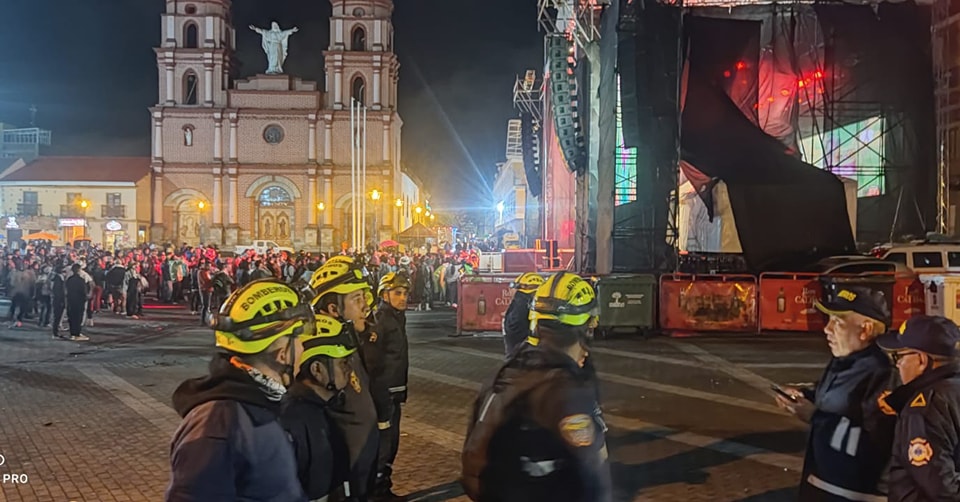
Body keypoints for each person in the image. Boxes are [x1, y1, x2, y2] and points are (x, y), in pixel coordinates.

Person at [461, 271, 611, 502]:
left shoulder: (504, 373)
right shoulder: (566, 390)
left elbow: (472, 463)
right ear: (586, 328)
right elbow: (593, 470)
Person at [165, 278, 314, 502]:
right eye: (300, 339)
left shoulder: (258, 404)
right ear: (282, 353)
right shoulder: (219, 424)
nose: (304, 348)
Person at [773, 286, 896, 501]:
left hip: (852, 494)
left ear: (865, 329)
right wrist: (804, 396)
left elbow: (875, 442)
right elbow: (836, 401)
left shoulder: (883, 373)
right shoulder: (845, 361)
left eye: (838, 322)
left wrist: (813, 415)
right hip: (824, 485)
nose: (826, 329)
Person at [305, 260, 381, 501]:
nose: (366, 307)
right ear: (333, 309)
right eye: (357, 299)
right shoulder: (321, 358)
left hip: (361, 475)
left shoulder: (347, 344)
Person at [877, 315, 960, 500]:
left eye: (899, 356)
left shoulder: (923, 409)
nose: (897, 364)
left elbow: (942, 487)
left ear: (922, 361)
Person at [281, 314, 362, 501]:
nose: (350, 369)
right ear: (317, 369)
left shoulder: (322, 408)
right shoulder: (294, 420)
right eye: (343, 362)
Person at [366, 272, 411, 501]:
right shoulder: (381, 320)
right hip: (384, 395)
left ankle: (384, 488)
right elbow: (372, 362)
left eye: (404, 293)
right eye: (397, 293)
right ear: (385, 294)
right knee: (384, 446)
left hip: (394, 392)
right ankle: (377, 492)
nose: (402, 298)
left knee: (391, 444)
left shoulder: (396, 317)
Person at [502, 272, 544, 356]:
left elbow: (514, 328)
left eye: (514, 286)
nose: (510, 289)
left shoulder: (520, 303)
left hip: (521, 352)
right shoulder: (538, 302)